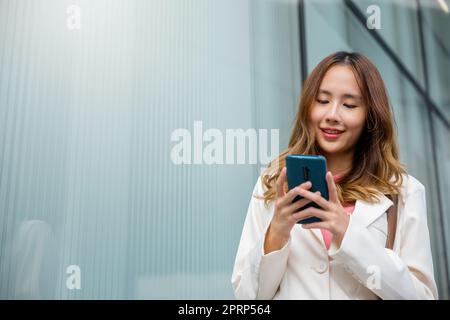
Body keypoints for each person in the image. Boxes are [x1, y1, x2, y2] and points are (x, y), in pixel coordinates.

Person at [231, 51, 438, 300]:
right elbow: (246, 299)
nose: (332, 115)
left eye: (349, 105)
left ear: (370, 116)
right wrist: (277, 232)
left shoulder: (404, 192)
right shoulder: (274, 183)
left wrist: (347, 232)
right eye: (322, 100)